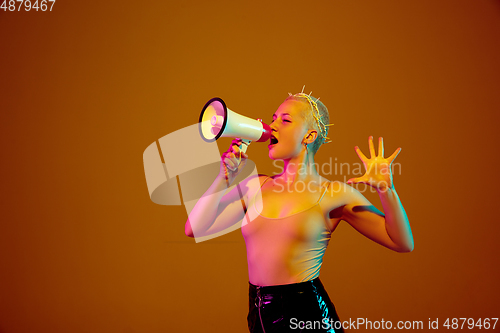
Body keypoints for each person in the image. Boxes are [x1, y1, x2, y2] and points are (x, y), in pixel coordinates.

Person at [185, 90, 414, 333]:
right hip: (258, 317)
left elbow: (401, 242)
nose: (272, 125)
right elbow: (194, 228)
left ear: (309, 135)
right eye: (273, 118)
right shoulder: (255, 186)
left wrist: (386, 190)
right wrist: (224, 177)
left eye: (285, 120)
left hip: (308, 318)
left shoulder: (333, 193)